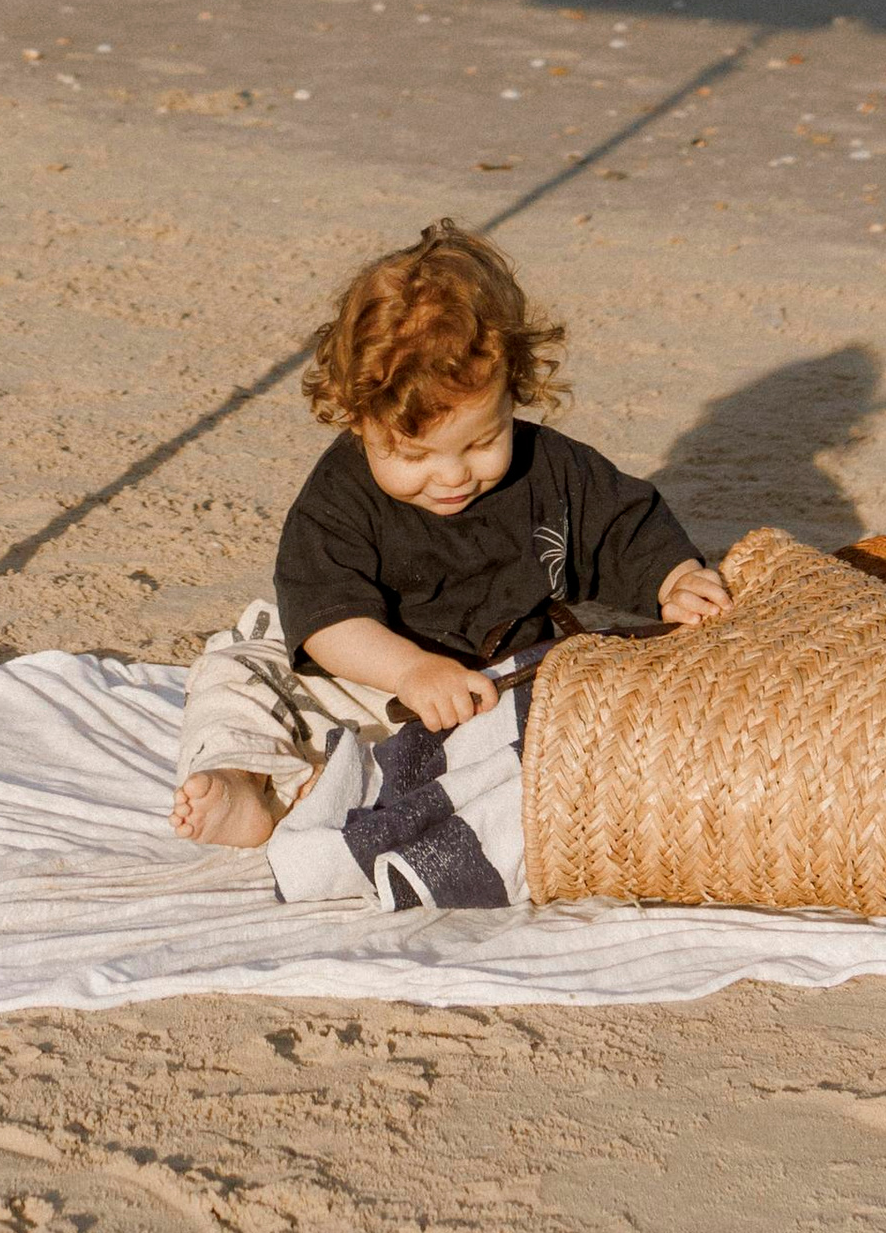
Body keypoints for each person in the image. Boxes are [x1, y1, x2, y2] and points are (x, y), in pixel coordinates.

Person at [171, 218, 729, 848]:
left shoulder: (552, 470)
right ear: (356, 418)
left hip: (502, 689)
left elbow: (623, 525)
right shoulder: (339, 497)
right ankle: (245, 778)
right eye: (415, 456)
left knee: (591, 711)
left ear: (513, 393)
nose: (453, 475)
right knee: (238, 666)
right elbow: (327, 618)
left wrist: (674, 579)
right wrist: (411, 670)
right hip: (369, 684)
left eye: (482, 441)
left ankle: (345, 788)